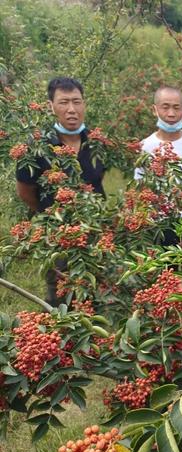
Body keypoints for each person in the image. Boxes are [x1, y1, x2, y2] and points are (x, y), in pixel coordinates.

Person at [16, 77, 106, 307]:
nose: (71, 109)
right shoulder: (37, 147)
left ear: (84, 104)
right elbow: (25, 190)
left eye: (77, 102)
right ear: (51, 107)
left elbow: (98, 182)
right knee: (60, 302)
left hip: (95, 238)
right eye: (64, 102)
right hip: (57, 239)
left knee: (95, 299)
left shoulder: (95, 144)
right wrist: (49, 214)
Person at [135, 86, 182, 248]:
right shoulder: (144, 147)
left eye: (176, 108)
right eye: (165, 107)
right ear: (154, 110)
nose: (171, 114)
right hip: (157, 224)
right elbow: (140, 188)